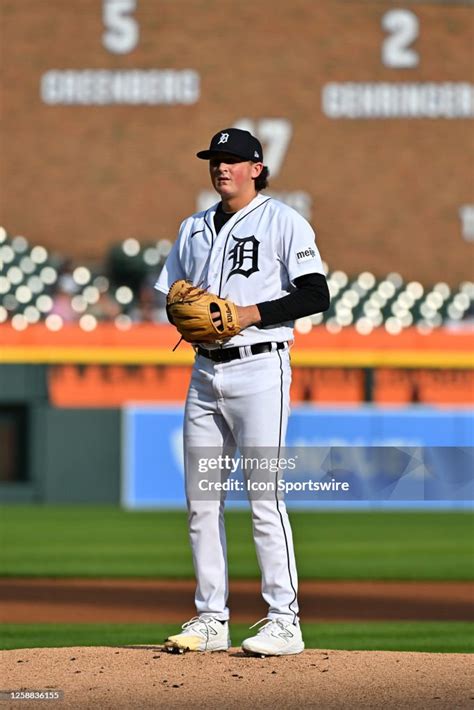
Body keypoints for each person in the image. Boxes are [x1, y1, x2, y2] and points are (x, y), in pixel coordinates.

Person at [154, 128, 330, 656]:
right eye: (215, 160)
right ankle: (211, 618)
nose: (221, 168)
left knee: (264, 499)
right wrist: (187, 313)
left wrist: (249, 314)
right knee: (201, 502)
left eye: (232, 160)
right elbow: (173, 295)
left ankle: (284, 620)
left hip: (260, 372)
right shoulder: (193, 228)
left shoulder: (283, 221)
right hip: (205, 374)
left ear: (257, 167)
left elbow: (316, 292)